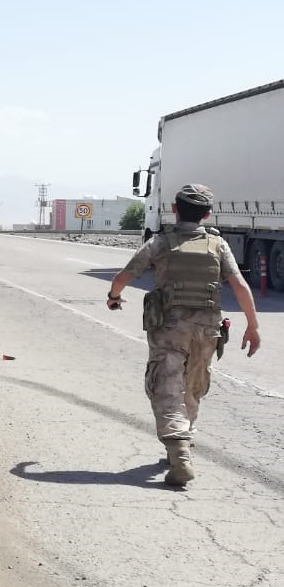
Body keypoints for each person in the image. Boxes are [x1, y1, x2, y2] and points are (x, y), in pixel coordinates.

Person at [106, 183, 261, 487]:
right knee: (193, 385)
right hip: (208, 329)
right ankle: (182, 444)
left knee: (165, 385)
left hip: (170, 328)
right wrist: (253, 326)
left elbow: (125, 275)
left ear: (175, 210)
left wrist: (114, 296)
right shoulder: (219, 246)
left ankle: (179, 453)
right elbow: (241, 286)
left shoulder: (161, 243)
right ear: (207, 214)